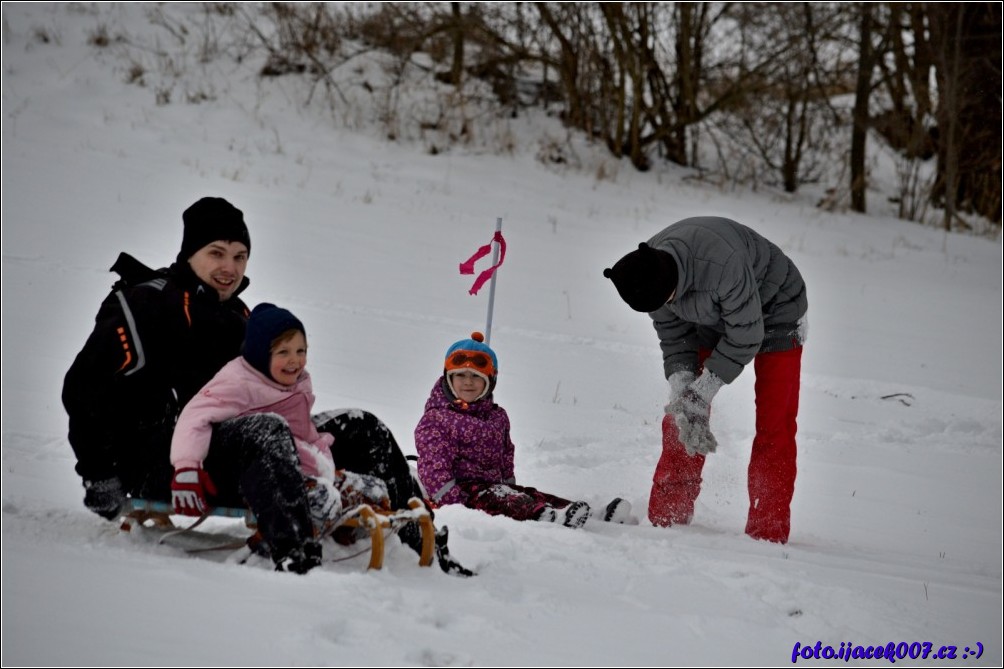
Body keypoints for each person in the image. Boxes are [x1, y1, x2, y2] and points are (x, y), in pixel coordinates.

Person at [171, 303, 472, 575]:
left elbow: (302, 431)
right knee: (273, 429)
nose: (295, 361)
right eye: (283, 353)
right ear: (260, 355)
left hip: (297, 460)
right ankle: (296, 553)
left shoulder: (291, 380)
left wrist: (323, 462)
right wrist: (186, 466)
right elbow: (194, 417)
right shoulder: (237, 381)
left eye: (301, 351)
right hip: (249, 471)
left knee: (364, 424)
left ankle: (418, 536)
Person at [603, 216, 807, 544]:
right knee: (680, 415)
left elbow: (747, 335)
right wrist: (685, 388)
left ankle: (767, 533)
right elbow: (674, 338)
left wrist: (705, 390)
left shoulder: (723, 265)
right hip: (714, 314)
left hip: (777, 309)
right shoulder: (647, 275)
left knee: (775, 424)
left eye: (665, 301)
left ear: (670, 283)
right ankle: (667, 520)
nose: (664, 308)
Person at [62, 196, 252, 522]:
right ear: (191, 254)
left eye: (239, 257)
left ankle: (351, 495)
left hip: (221, 449)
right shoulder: (149, 303)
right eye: (216, 253)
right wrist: (99, 474)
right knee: (265, 433)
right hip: (156, 464)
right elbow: (84, 387)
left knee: (358, 428)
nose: (230, 268)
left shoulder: (239, 315)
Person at [415, 332, 633, 528]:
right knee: (504, 499)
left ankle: (593, 515)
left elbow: (505, 455)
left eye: (476, 377)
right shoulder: (437, 420)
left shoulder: (496, 416)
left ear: (490, 382)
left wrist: (511, 485)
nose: (468, 383)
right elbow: (434, 469)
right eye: (461, 376)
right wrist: (456, 505)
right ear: (449, 380)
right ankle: (548, 518)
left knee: (529, 494)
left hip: (494, 486)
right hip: (465, 491)